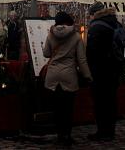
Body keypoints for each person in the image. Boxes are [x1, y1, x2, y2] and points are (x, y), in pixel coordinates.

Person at [43, 11, 92, 146]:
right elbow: (81, 60)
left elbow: (46, 53)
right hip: (68, 75)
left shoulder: (50, 34)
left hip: (52, 75)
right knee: (68, 108)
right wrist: (87, 76)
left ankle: (59, 135)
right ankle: (67, 135)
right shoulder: (76, 36)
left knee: (57, 107)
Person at [86, 1, 121, 141]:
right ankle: (110, 131)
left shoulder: (96, 27)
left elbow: (92, 52)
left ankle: (102, 131)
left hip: (100, 71)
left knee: (100, 102)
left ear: (94, 14)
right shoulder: (115, 23)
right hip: (114, 69)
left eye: (90, 15)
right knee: (111, 101)